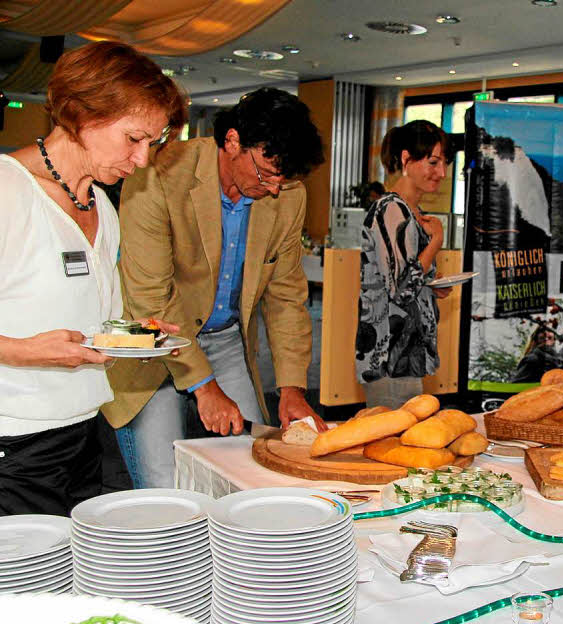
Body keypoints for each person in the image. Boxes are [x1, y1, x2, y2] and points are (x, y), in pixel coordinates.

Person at [103, 87, 327, 489]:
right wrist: (204, 387)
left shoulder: (286, 194)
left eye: (284, 178)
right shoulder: (158, 173)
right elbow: (150, 296)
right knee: (164, 483)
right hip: (150, 340)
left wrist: (292, 389)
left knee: (250, 466)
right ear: (233, 141)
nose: (276, 188)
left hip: (222, 339)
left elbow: (287, 296)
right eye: (268, 173)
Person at [0, 41, 186, 514]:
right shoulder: (8, 191)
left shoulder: (101, 205)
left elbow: (91, 319)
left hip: (84, 429)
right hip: (14, 440)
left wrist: (136, 335)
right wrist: (23, 351)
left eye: (154, 142)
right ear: (82, 114)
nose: (143, 160)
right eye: (134, 138)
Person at [356, 120, 453, 408]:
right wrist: (436, 242)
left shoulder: (410, 211)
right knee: (393, 445)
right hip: (390, 358)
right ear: (406, 159)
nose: (442, 173)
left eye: (444, 163)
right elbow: (400, 290)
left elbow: (406, 277)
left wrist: (432, 287)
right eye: (433, 162)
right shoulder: (392, 210)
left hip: (406, 355)